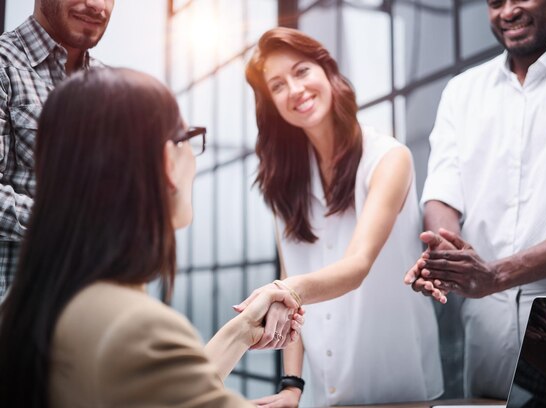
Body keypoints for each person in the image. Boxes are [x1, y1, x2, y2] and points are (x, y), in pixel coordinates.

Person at [0, 67, 304, 407]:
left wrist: (243, 330)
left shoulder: (29, 306)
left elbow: (163, 393)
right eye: (188, 138)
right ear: (167, 162)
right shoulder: (137, 330)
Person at [404, 0, 546, 399]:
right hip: (486, 320)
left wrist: (495, 275)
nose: (507, 12)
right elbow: (442, 193)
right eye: (494, 2)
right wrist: (446, 254)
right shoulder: (462, 90)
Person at [240, 27, 443, 407]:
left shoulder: (387, 158)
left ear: (327, 71)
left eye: (301, 72)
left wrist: (283, 292)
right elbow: (292, 281)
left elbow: (357, 265)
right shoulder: (284, 182)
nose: (295, 90)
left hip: (399, 385)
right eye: (278, 85)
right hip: (326, 389)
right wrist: (292, 386)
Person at [0, 0, 115, 299]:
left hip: (90, 318)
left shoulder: (113, 88)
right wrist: (66, 225)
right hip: (12, 321)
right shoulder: (3, 66)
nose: (97, 5)